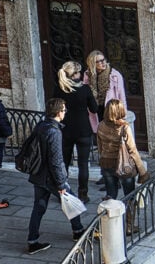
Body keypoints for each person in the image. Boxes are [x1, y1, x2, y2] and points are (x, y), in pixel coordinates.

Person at [27, 98, 85, 254]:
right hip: (51, 178)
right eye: (64, 110)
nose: (65, 112)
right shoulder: (54, 132)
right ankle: (78, 231)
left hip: (38, 175)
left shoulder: (41, 125)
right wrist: (61, 184)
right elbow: (56, 160)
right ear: (59, 112)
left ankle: (32, 241)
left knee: (38, 208)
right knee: (71, 201)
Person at [53, 61, 98, 202]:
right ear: (74, 75)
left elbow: (53, 109)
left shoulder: (59, 90)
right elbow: (94, 109)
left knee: (64, 162)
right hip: (83, 130)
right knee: (83, 164)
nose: (80, 74)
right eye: (79, 72)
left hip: (65, 130)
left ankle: (63, 192)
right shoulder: (85, 89)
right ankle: (83, 194)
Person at [96, 99, 148, 205]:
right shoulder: (124, 127)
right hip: (125, 165)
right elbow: (132, 150)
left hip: (106, 162)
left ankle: (111, 219)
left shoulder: (101, 125)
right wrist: (143, 172)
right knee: (129, 196)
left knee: (111, 196)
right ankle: (129, 220)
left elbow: (100, 147)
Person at [85, 49, 127, 126]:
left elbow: (122, 95)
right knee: (99, 132)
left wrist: (123, 114)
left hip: (110, 109)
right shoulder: (87, 75)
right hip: (95, 109)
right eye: (99, 61)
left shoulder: (114, 75)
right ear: (92, 63)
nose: (103, 63)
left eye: (103, 60)